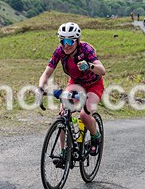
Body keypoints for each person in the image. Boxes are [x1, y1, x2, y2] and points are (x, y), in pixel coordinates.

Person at [37, 22, 106, 156]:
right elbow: (46, 73)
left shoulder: (85, 50)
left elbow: (102, 71)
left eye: (70, 41)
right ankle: (64, 151)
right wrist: (40, 88)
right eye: (63, 41)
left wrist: (89, 66)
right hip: (75, 84)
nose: (66, 45)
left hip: (94, 84)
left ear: (77, 41)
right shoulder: (59, 52)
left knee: (84, 115)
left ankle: (95, 136)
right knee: (63, 114)